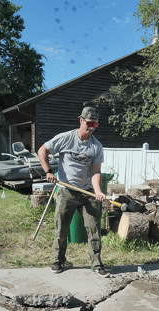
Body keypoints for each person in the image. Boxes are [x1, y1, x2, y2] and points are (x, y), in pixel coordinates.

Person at [38, 107, 109, 276]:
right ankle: (58, 260)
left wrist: (98, 191)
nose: (91, 127)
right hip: (66, 190)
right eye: (89, 123)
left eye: (95, 125)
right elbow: (42, 150)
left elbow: (96, 171)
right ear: (81, 120)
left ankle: (97, 263)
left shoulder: (96, 146)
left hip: (87, 192)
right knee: (61, 228)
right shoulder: (66, 138)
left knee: (94, 228)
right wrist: (48, 171)